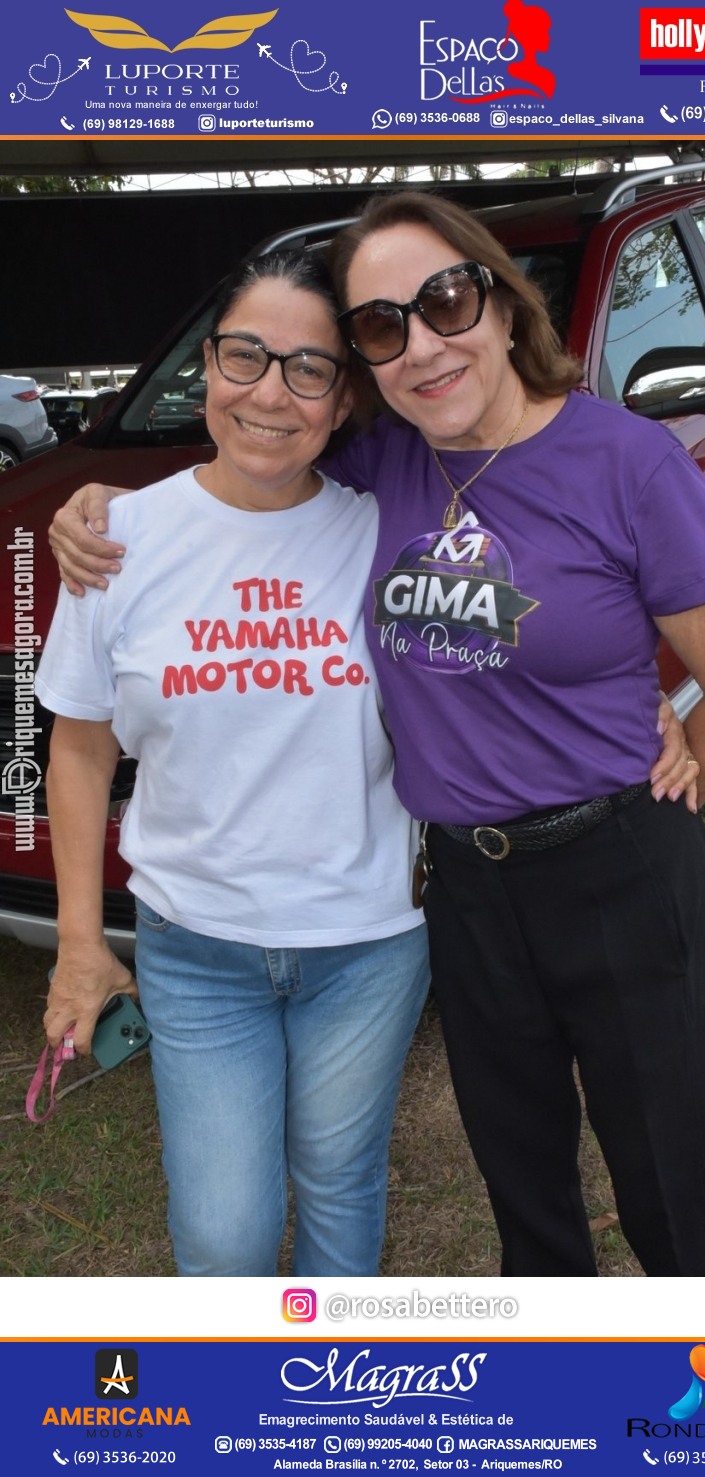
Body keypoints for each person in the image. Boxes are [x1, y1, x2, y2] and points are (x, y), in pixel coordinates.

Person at [49, 196, 705, 1278]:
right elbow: (91, 725)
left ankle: (684, 1411)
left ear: (500, 304)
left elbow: (697, 680)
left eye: (444, 300)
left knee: (615, 1184)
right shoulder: (204, 517)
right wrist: (90, 501)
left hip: (488, 900)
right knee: (301, 1220)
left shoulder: (508, 477)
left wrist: (648, 742)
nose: (273, 393)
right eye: (379, 327)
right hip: (327, 912)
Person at [35, 250, 430, 1278]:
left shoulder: (388, 528)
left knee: (341, 1182)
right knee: (224, 1231)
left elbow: (532, 575)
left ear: (344, 398)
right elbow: (78, 749)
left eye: (308, 369)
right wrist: (81, 942)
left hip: (367, 943)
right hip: (195, 946)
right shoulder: (115, 536)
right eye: (245, 355)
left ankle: (327, 1410)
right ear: (204, 366)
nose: (269, 392)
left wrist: (630, 699)